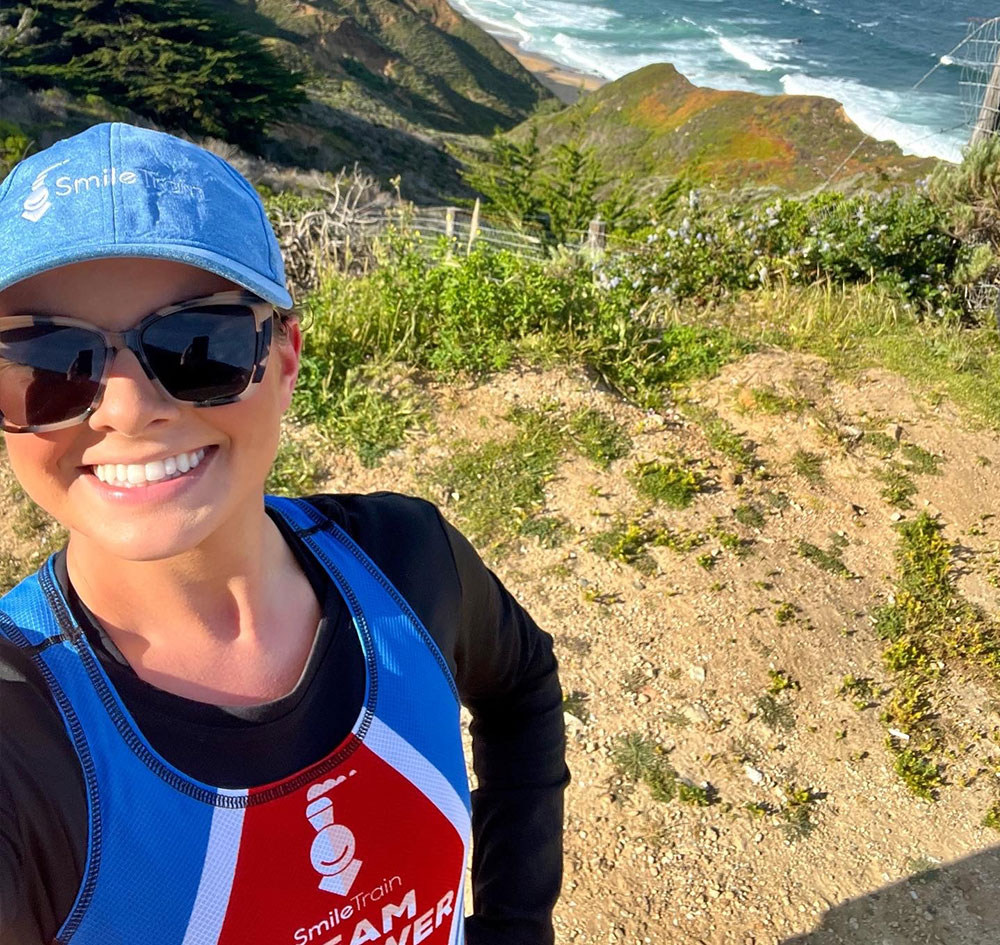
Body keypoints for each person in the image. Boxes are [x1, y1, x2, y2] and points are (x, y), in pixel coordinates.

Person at [0, 123, 567, 945]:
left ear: (287, 358)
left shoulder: (408, 562)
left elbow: (523, 686)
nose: (125, 408)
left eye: (198, 345)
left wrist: (517, 925)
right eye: (47, 364)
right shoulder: (23, 734)